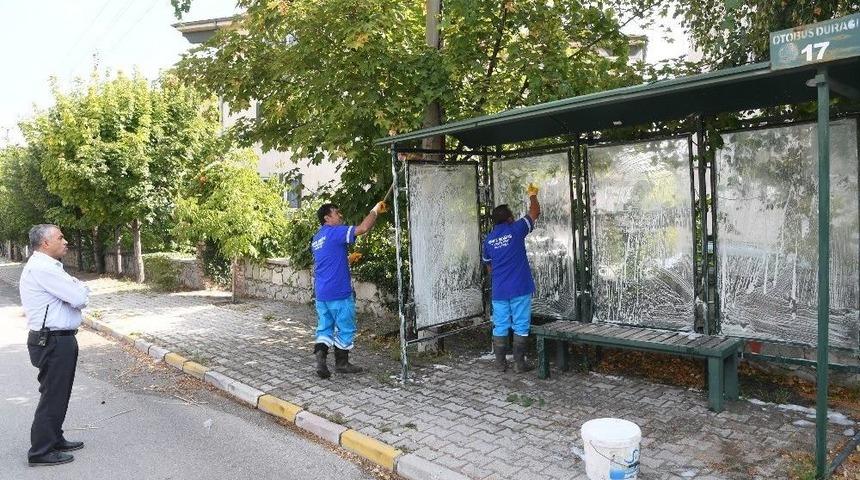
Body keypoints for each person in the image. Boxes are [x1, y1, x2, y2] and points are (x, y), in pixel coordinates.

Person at [19, 224, 90, 467]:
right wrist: (80, 290)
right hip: (53, 341)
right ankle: (40, 451)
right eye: (60, 237)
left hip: (58, 339)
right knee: (53, 395)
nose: (66, 241)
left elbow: (76, 293)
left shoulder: (48, 266)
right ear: (45, 243)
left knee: (58, 393)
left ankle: (54, 438)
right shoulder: (43, 268)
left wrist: (77, 290)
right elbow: (80, 296)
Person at [312, 201, 387, 379]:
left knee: (324, 329)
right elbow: (362, 228)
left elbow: (328, 262)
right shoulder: (335, 232)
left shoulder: (317, 238)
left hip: (322, 294)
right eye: (336, 213)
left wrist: (348, 260)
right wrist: (375, 210)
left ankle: (321, 360)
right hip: (339, 293)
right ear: (327, 218)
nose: (340, 216)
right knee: (346, 328)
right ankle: (342, 363)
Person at [482, 183, 541, 373]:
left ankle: (500, 364)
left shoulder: (488, 240)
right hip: (519, 288)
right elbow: (535, 211)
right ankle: (519, 364)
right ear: (509, 219)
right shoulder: (516, 230)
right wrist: (532, 195)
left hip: (499, 290)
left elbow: (489, 266)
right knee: (521, 324)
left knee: (500, 325)